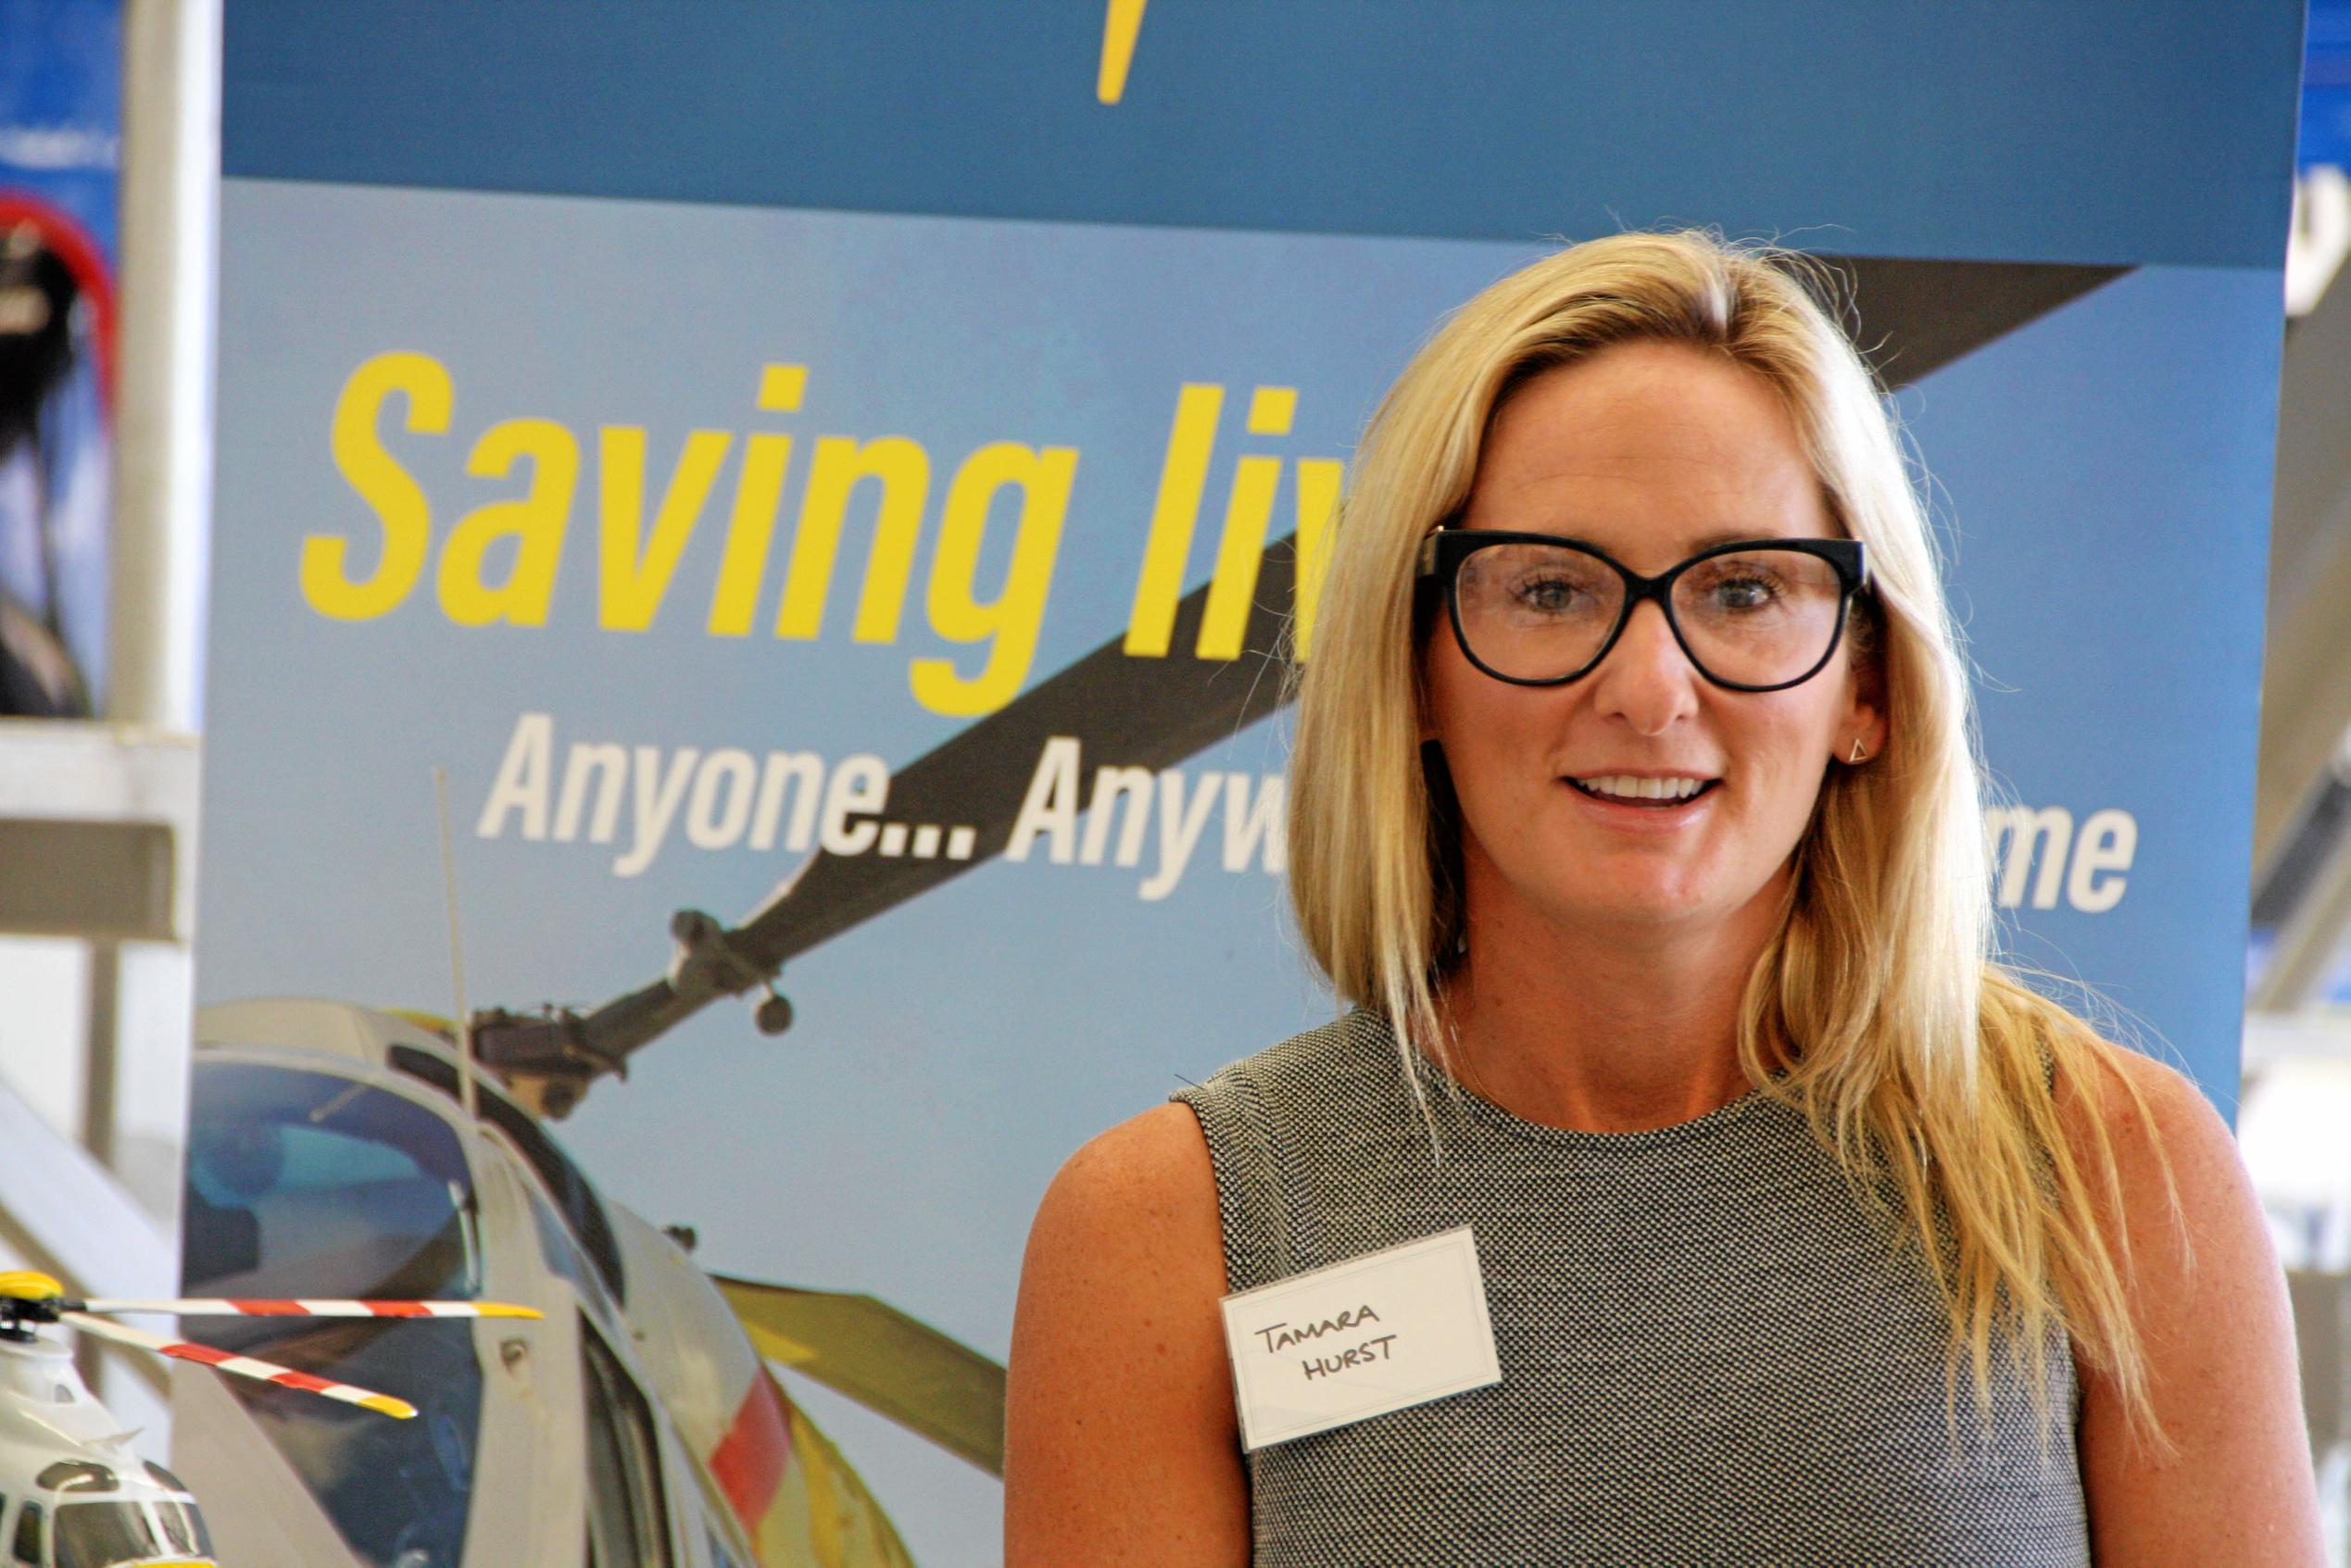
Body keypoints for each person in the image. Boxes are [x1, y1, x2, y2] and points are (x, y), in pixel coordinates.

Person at [1001, 232, 2321, 1566]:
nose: (1646, 687)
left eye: (1741, 588)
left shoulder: (2112, 1178)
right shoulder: (1171, 1233)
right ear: (1413, 674)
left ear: (1864, 687)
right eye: (1549, 589)